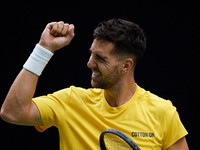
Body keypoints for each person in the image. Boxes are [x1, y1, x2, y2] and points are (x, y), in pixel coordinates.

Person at [0, 19, 189, 150]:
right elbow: (12, 112)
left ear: (126, 65)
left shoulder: (163, 112)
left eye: (100, 58)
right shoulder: (71, 101)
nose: (90, 63)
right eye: (91, 53)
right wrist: (44, 49)